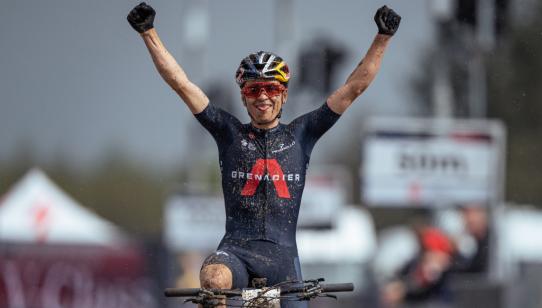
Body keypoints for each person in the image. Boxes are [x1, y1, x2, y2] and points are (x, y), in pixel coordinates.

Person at [127, 3, 400, 307]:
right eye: (253, 90)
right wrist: (148, 32)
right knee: (214, 279)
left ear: (284, 94)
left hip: (283, 261)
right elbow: (181, 83)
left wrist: (383, 37)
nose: (263, 97)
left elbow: (354, 88)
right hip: (236, 254)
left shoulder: (302, 133)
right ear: (244, 97)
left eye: (271, 88)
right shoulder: (228, 132)